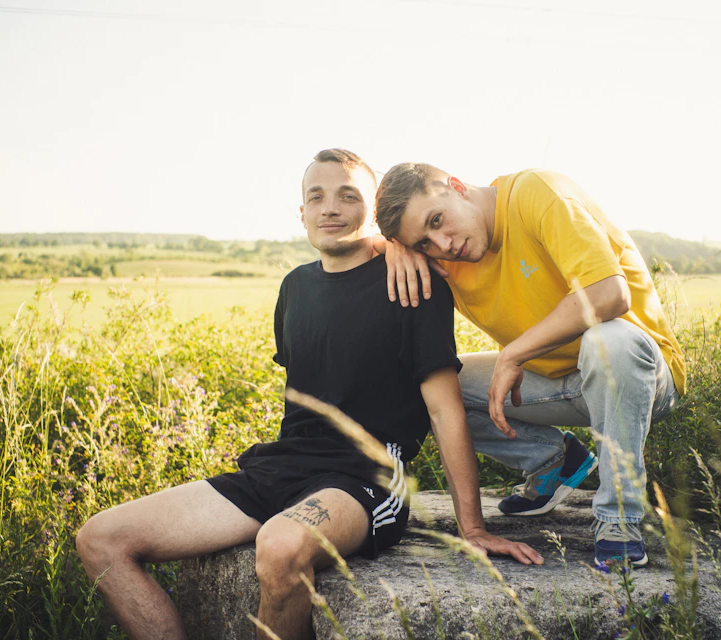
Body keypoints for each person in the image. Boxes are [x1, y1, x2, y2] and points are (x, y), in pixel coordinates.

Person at [75, 149, 541, 640]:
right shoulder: (294, 287)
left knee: (280, 546)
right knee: (100, 540)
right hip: (283, 466)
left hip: (365, 477)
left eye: (348, 196)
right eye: (316, 197)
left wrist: (473, 528)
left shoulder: (412, 284)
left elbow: (445, 412)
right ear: (302, 213)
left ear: (373, 212)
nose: (330, 208)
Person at [374, 164, 685, 567]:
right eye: (423, 243)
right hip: (559, 383)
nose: (443, 244)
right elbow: (351, 242)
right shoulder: (446, 254)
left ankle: (617, 520)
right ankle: (553, 461)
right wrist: (392, 246)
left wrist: (514, 354)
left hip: (637, 373)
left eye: (437, 220)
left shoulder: (535, 193)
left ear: (457, 186)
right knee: (427, 386)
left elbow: (609, 294)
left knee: (608, 341)